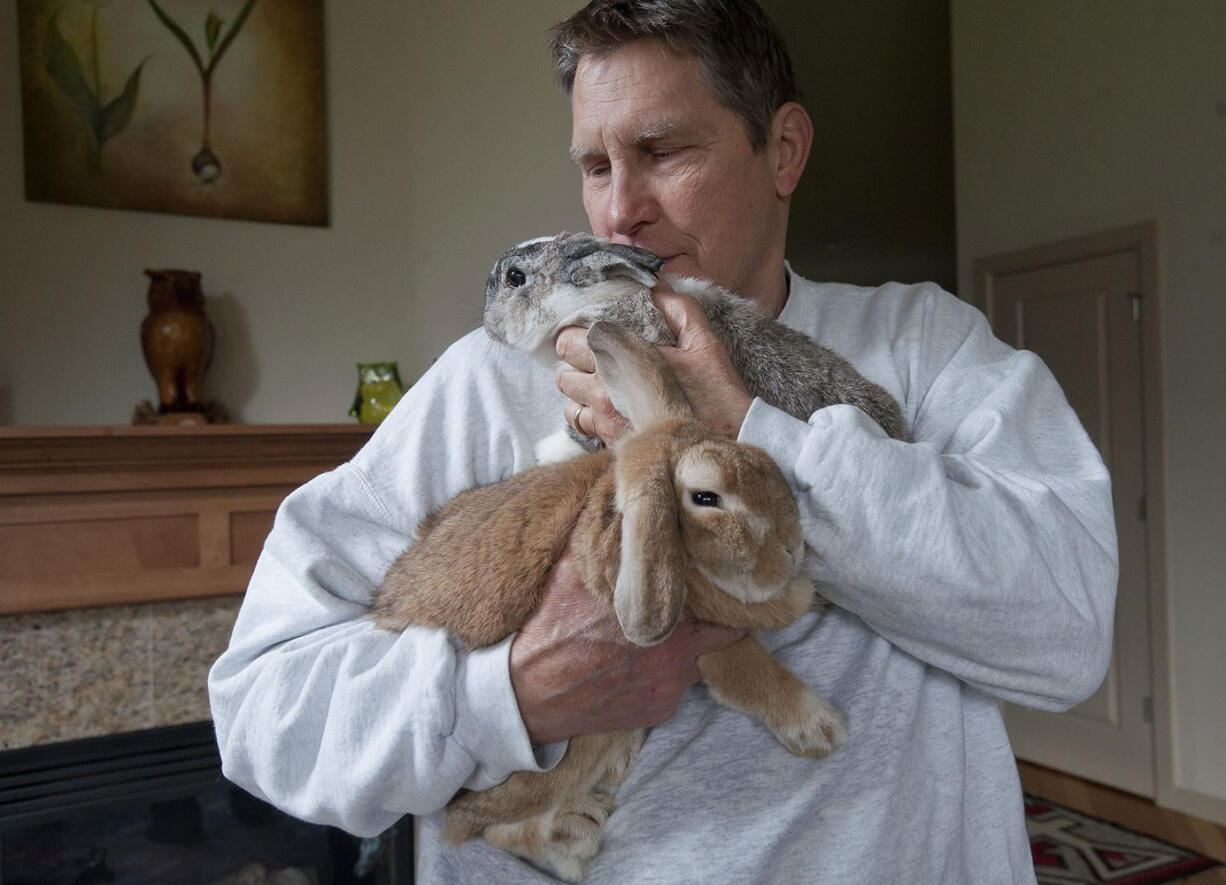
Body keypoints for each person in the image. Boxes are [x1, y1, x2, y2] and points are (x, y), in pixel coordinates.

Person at [208, 1, 1118, 882]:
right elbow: (261, 713)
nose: (618, 214)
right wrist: (510, 694)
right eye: (595, 166)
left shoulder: (925, 348)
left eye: (663, 151)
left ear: (784, 150)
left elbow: (1067, 632)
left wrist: (744, 434)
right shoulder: (487, 382)